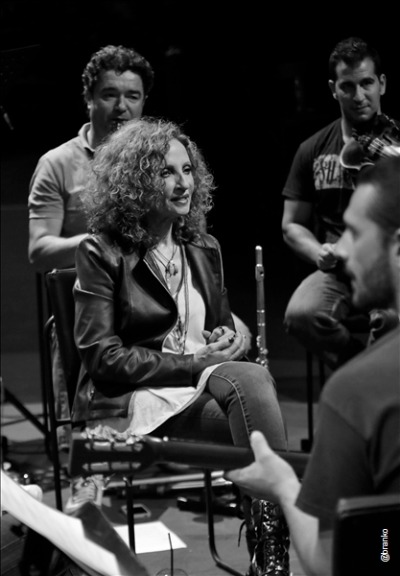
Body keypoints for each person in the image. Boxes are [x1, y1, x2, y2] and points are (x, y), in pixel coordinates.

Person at [71, 117, 291, 576]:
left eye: (188, 170)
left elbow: (219, 324)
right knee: (257, 400)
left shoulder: (203, 246)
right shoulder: (102, 251)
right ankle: (272, 547)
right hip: (134, 396)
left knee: (253, 386)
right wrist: (193, 361)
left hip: (199, 384)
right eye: (166, 172)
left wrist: (228, 338)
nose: (183, 183)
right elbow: (101, 358)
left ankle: (269, 544)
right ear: (134, 184)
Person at [27, 44, 252, 449]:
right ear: (89, 98)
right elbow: (39, 250)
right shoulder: (59, 166)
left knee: (248, 373)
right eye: (109, 94)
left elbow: (199, 286)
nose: (121, 106)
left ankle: (261, 482)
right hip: (105, 308)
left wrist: (230, 333)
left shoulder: (191, 222)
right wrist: (117, 239)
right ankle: (88, 461)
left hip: (168, 329)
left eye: (132, 95)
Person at [227, 156, 400, 575]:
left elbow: (329, 562)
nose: (341, 249)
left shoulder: (359, 390)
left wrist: (284, 486)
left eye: (355, 232)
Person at [281, 36, 400, 369]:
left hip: (390, 265)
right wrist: (317, 251)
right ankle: (358, 373)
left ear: (382, 84)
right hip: (339, 267)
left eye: (367, 83)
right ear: (334, 89)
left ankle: (377, 386)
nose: (359, 96)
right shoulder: (312, 148)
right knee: (301, 314)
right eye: (348, 86)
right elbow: (291, 225)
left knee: (393, 320)